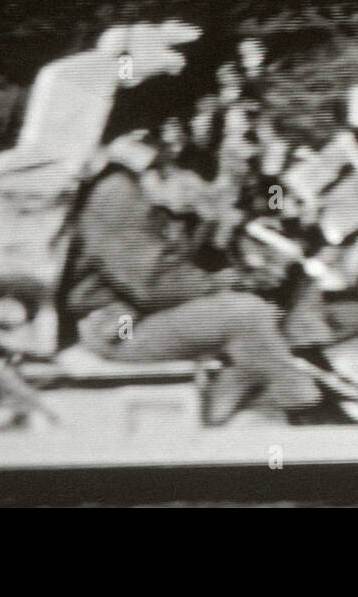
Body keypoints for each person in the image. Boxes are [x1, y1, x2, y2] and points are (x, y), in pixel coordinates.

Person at [61, 113, 325, 425]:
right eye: (193, 186)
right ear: (165, 171)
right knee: (244, 315)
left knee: (281, 298)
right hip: (119, 328)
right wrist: (230, 283)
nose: (194, 198)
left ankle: (227, 411)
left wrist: (250, 264)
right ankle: (308, 410)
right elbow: (153, 284)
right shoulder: (117, 196)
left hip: (147, 314)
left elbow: (188, 262)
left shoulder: (156, 197)